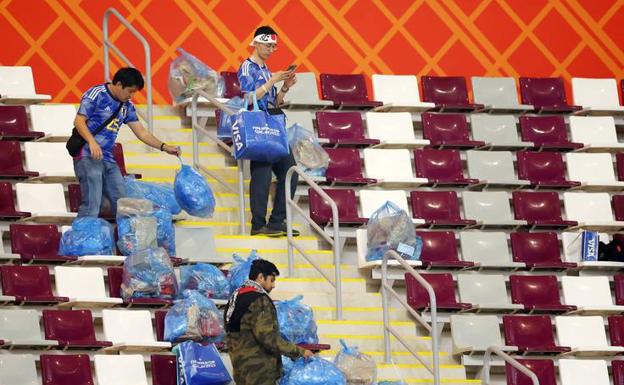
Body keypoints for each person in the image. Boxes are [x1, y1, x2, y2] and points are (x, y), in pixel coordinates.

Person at [73, 67, 180, 217]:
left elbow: (141, 132)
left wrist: (164, 147)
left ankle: (126, 239)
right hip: (87, 154)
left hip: (108, 158)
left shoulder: (127, 106)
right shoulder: (97, 94)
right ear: (118, 84)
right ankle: (84, 238)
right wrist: (92, 142)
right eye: (130, 91)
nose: (131, 95)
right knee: (92, 203)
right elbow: (79, 121)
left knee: (122, 203)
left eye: (134, 92)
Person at [237, 25, 300, 237]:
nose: (271, 49)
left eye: (274, 46)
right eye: (267, 45)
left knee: (291, 172)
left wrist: (284, 87)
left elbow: (273, 102)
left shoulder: (266, 70)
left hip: (273, 123)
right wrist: (273, 81)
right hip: (257, 125)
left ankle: (277, 221)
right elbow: (247, 98)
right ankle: (258, 224)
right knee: (262, 175)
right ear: (255, 43)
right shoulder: (247, 68)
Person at [224, 259, 313, 385]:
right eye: (272, 280)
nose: (273, 285)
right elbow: (268, 339)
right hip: (260, 371)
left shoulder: (236, 297)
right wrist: (300, 351)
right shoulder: (259, 299)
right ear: (261, 277)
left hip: (241, 369)